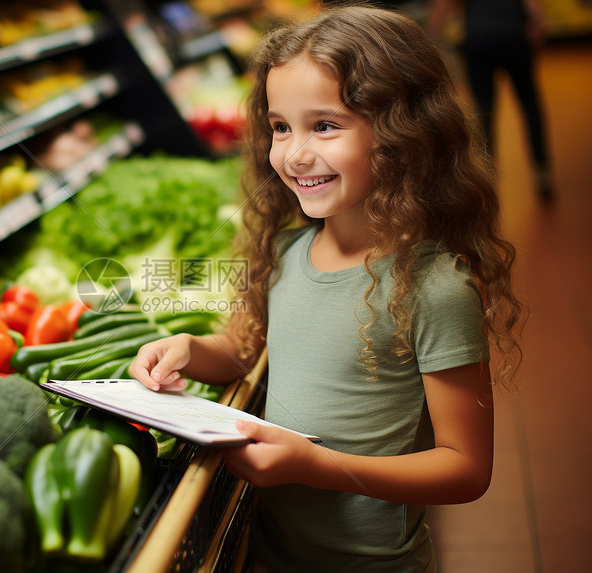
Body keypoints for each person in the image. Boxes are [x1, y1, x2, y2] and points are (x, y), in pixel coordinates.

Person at [129, 5, 525, 572]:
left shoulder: (433, 285)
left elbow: (465, 469)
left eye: (326, 125)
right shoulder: (286, 252)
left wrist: (314, 466)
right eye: (280, 127)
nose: (295, 154)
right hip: (269, 552)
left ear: (402, 133)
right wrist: (191, 351)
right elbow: (240, 351)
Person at [428, 0, 555, 203]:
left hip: (478, 38)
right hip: (513, 35)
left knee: (483, 111)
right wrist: (538, 23)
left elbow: (442, 4)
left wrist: (433, 36)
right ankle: (542, 172)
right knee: (529, 103)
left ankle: (487, 177)